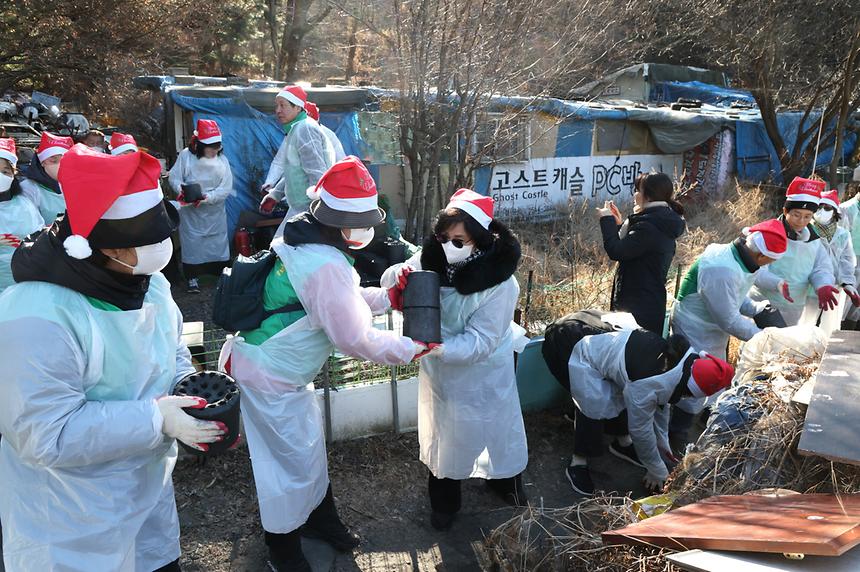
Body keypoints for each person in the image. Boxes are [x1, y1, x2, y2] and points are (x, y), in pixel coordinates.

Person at [0, 144, 225, 571]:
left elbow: (170, 346)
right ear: (106, 248)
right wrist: (156, 419)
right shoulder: (35, 314)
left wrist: (186, 387)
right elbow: (43, 434)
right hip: (70, 518)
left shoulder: (149, 282)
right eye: (150, 239)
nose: (163, 248)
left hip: (146, 495)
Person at [219, 156, 427, 572]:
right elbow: (352, 336)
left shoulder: (307, 239)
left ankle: (320, 522)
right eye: (361, 220)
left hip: (275, 370)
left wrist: (387, 298)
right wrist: (412, 347)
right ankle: (284, 551)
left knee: (306, 454)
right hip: (271, 377)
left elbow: (331, 304)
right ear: (338, 221)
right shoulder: (325, 263)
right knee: (284, 469)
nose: (368, 229)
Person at [381, 189, 528, 531]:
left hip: (485, 368)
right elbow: (398, 273)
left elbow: (481, 341)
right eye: (444, 238)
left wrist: (436, 347)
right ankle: (445, 503)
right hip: (440, 367)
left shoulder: (501, 283)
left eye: (459, 240)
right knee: (444, 436)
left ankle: (504, 481)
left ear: (480, 240)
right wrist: (397, 278)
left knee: (495, 427)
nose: (449, 246)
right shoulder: (431, 258)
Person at [542, 310, 733, 496]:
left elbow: (660, 408)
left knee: (625, 391)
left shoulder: (679, 364)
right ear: (688, 388)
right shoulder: (651, 380)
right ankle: (579, 461)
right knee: (592, 402)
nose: (687, 399)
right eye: (689, 396)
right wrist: (657, 470)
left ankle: (621, 442)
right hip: (566, 340)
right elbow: (641, 429)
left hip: (593, 333)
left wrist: (663, 450)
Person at [669, 218, 788, 441]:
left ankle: (708, 418)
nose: (767, 265)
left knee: (716, 377)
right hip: (695, 326)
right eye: (769, 260)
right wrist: (764, 337)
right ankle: (678, 433)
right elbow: (729, 319)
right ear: (761, 256)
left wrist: (757, 309)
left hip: (711, 326)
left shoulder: (743, 256)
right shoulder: (720, 269)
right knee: (694, 379)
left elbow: (734, 295)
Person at [597, 172, 686, 333]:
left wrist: (606, 219)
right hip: (650, 303)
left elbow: (616, 251)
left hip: (637, 309)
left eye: (638, 190)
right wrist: (618, 225)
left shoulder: (647, 227)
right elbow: (634, 249)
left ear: (649, 197)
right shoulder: (660, 221)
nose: (635, 194)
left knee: (630, 356)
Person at [749, 178, 838, 326]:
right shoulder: (766, 234)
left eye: (807, 216)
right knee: (756, 343)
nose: (801, 221)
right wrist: (776, 283)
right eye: (796, 214)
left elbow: (821, 268)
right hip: (763, 302)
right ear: (785, 210)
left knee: (784, 345)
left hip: (794, 307)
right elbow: (754, 268)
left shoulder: (814, 241)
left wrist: (823, 285)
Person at [167, 119, 235, 293]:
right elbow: (174, 177)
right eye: (210, 147)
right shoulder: (185, 156)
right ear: (198, 145)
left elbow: (226, 187)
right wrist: (182, 189)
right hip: (191, 212)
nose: (214, 151)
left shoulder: (223, 160)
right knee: (193, 244)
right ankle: (192, 278)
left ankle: (221, 276)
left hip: (215, 211)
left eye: (217, 147)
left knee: (217, 244)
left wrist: (208, 197)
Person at [259, 85, 336, 218]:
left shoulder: (305, 129)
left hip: (308, 209)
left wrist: (316, 209)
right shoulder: (295, 130)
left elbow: (317, 172)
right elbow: (294, 170)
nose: (278, 110)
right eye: (276, 105)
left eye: (283, 105)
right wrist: (275, 194)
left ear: (298, 107)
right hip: (299, 207)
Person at [799, 189, 859, 333]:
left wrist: (848, 283)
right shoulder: (806, 231)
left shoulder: (842, 234)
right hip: (809, 288)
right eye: (819, 207)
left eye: (827, 208)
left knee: (830, 329)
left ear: (834, 212)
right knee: (804, 325)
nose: (822, 211)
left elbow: (847, 261)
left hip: (835, 288)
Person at [0, 138, 43, 294]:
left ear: (13, 174)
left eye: (5, 171)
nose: (1, 176)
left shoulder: (24, 206)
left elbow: (39, 239)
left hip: (19, 286)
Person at [19, 131, 73, 223]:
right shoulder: (29, 188)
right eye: (53, 161)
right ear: (42, 162)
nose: (60, 165)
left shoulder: (75, 186)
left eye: (65, 160)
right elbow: (28, 225)